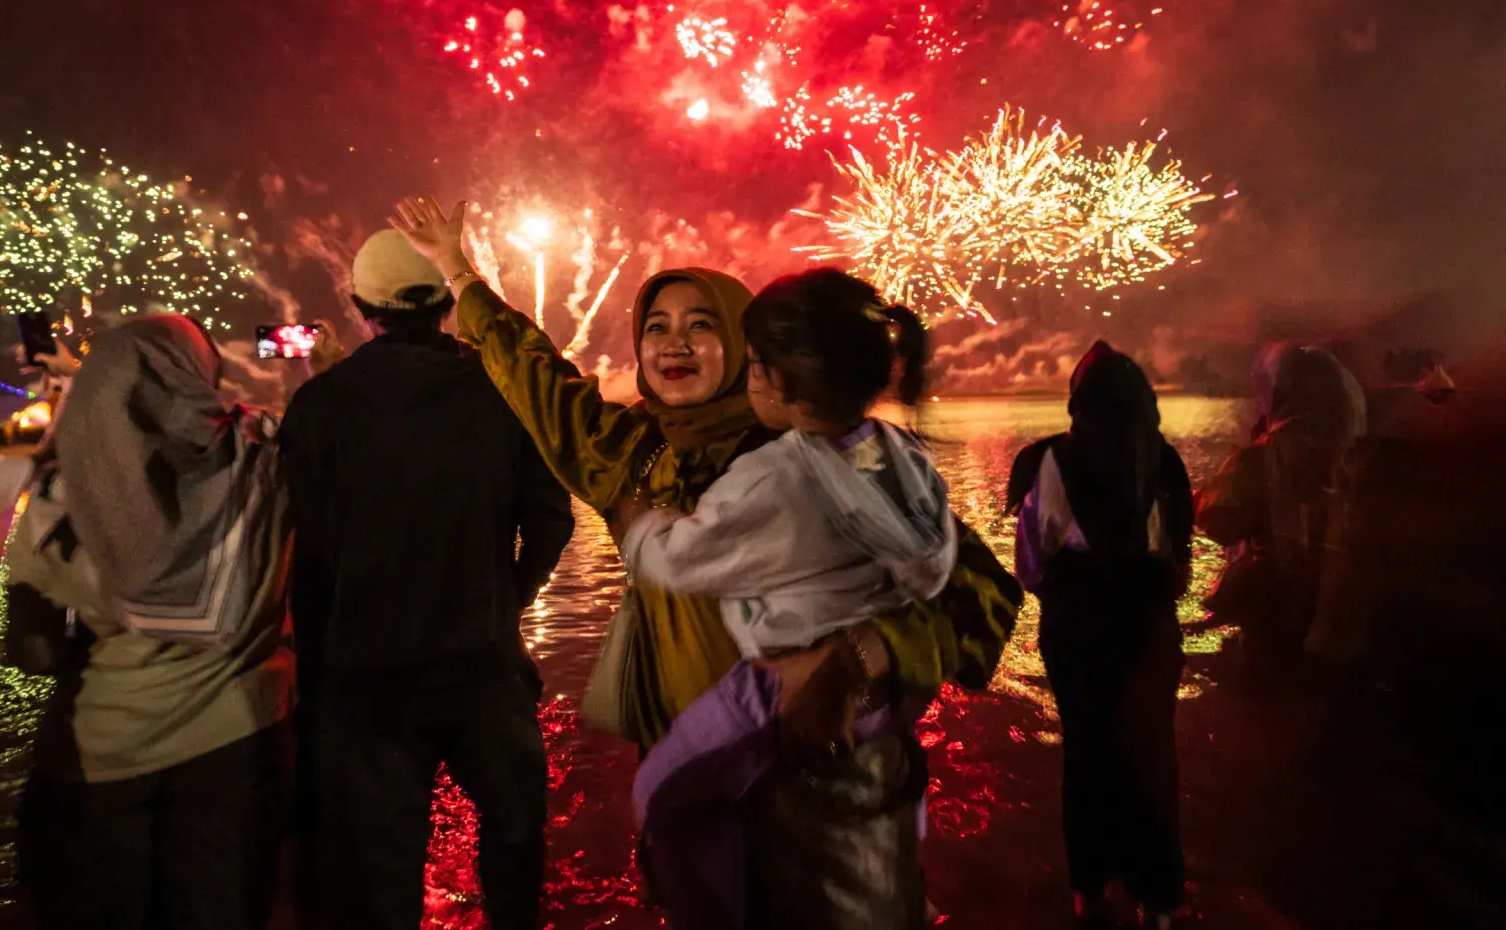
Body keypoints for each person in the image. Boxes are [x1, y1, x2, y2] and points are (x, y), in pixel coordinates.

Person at [390, 195, 1024, 928]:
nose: (673, 343)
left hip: (826, 791)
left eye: (701, 325)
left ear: (751, 349)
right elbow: (541, 384)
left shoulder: (833, 460)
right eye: (655, 326)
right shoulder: (635, 455)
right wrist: (460, 274)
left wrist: (868, 653)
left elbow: (983, 590)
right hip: (698, 781)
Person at [619, 269, 956, 930]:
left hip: (772, 686)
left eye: (748, 364)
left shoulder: (769, 474)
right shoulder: (902, 456)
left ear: (776, 379)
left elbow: (683, 555)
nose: (673, 345)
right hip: (884, 711)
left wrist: (637, 527)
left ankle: (702, 906)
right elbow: (936, 566)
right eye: (656, 327)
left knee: (658, 792)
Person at [279, 230, 574, 930]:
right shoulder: (499, 391)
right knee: (514, 847)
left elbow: (302, 555)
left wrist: (313, 681)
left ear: (359, 307)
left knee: (382, 878)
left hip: (363, 684)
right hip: (485, 670)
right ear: (447, 300)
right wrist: (507, 600)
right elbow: (552, 521)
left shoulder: (321, 406)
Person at [9, 315, 294, 930]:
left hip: (101, 762)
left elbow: (31, 651)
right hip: (235, 749)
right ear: (200, 374)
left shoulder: (58, 496)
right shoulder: (266, 460)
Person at [1006, 341, 1192, 930]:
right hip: (1149, 630)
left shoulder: (1044, 461)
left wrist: (1072, 592)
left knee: (1087, 757)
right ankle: (1158, 900)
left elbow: (1031, 563)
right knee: (1152, 757)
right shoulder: (1166, 462)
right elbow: (1180, 567)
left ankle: (1090, 892)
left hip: (1077, 629)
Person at [1197, 343, 1365, 684]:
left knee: (1269, 695)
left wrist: (1195, 497)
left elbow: (1220, 521)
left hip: (1277, 606)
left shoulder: (1265, 456)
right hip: (1345, 609)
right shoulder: (1357, 450)